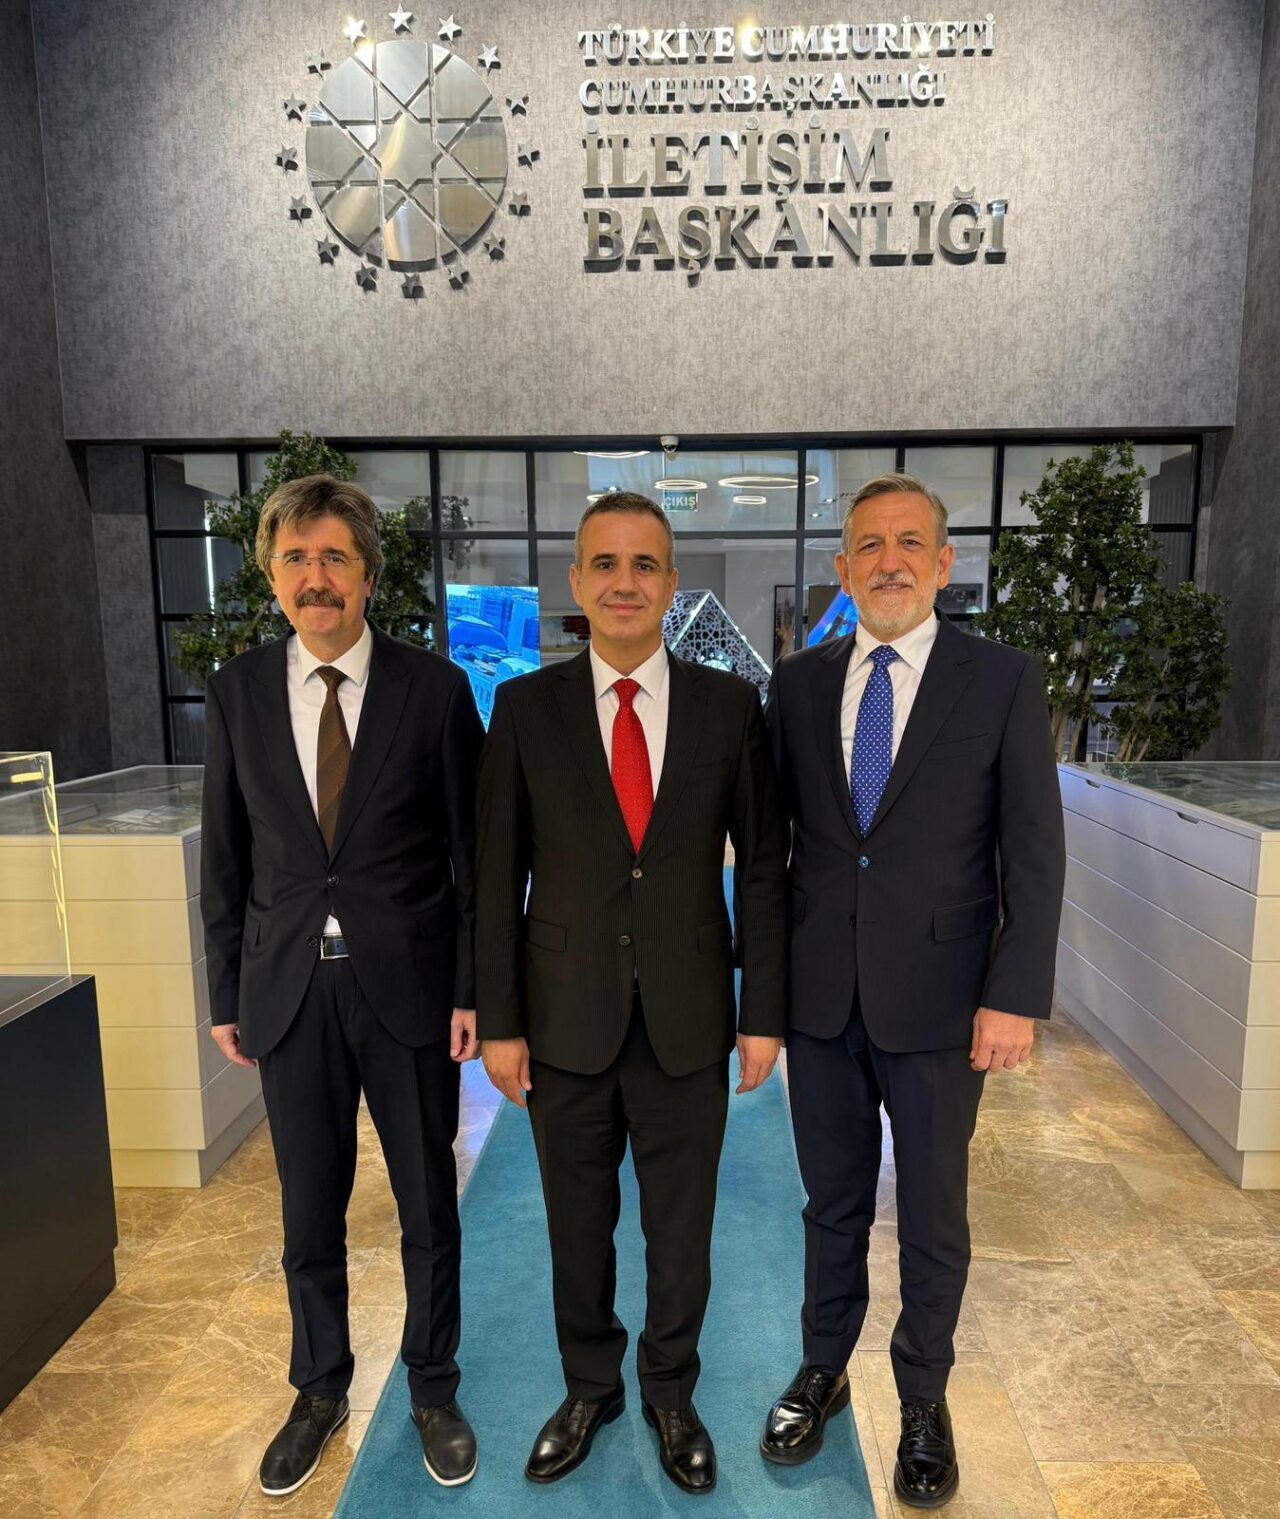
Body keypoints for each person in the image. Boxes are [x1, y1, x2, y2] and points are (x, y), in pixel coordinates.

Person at [760, 473, 1065, 1509]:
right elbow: (777, 853)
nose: (887, 561)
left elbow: (1032, 850)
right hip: (821, 999)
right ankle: (822, 1368)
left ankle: (924, 1397)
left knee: (932, 1210)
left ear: (942, 562)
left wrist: (1014, 994)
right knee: (830, 1203)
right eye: (868, 545)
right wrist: (764, 996)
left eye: (907, 543)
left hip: (943, 1000)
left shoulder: (1001, 679)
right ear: (842, 568)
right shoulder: (798, 684)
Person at [475, 492, 788, 1495]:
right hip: (561, 1017)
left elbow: (764, 869)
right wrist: (500, 1022)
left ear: (670, 584)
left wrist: (762, 1012)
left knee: (679, 1231)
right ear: (576, 582)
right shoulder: (524, 710)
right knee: (576, 1227)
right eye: (604, 564)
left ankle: (668, 1390)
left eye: (643, 564)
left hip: (689, 1018)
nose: (623, 582)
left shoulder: (728, 707)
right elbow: (495, 877)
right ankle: (588, 1387)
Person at [201, 474, 485, 1497]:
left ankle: (433, 1386)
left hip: (408, 992)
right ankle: (319, 1389)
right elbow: (225, 858)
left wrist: (472, 988)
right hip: (287, 996)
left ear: (367, 574)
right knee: (308, 1211)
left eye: (333, 557)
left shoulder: (434, 690)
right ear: (271, 575)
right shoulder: (237, 692)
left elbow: (472, 860)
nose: (314, 578)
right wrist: (226, 992)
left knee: (427, 1208)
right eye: (295, 559)